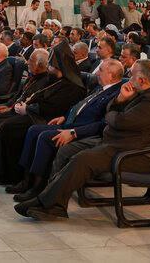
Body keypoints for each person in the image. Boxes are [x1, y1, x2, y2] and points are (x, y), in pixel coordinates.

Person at [15, 59, 150, 221]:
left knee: (82, 159)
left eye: (131, 75)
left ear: (142, 80)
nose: (128, 78)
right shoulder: (144, 93)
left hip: (136, 155)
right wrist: (119, 100)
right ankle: (50, 201)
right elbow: (116, 118)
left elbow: (117, 121)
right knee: (71, 152)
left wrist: (113, 113)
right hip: (119, 144)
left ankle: (49, 203)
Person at [10, 58, 124, 201]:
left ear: (111, 75)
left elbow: (102, 124)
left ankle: (39, 187)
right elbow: (81, 105)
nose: (96, 73)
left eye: (100, 70)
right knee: (33, 130)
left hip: (83, 131)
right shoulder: (100, 87)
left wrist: (74, 132)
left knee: (45, 137)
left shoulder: (116, 94)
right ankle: (26, 180)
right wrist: (64, 117)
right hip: (71, 123)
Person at [0, 43, 87, 186]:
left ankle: (11, 175)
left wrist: (28, 108)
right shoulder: (54, 79)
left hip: (48, 118)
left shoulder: (73, 86)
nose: (48, 67)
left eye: (51, 65)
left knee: (9, 127)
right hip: (37, 113)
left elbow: (55, 107)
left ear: (59, 66)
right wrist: (25, 106)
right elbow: (39, 96)